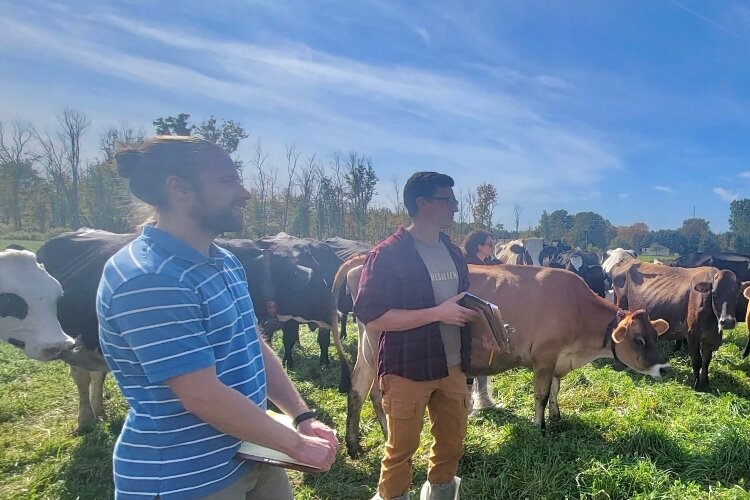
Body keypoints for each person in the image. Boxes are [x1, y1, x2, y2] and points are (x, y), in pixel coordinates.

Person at [96, 136, 337, 500]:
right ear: (179, 189)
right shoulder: (151, 278)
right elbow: (202, 396)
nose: (244, 193)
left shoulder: (223, 261)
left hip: (254, 450)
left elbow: (250, 342)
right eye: (227, 181)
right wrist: (298, 446)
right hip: (188, 478)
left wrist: (302, 417)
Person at [355, 171, 477, 500]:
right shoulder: (387, 254)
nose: (455, 207)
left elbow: (462, 300)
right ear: (423, 204)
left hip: (453, 368)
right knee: (401, 451)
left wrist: (484, 329)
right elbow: (373, 317)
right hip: (408, 368)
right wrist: (436, 314)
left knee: (451, 445)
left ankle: (439, 493)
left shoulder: (452, 252)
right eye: (448, 200)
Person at [460, 230, 500, 413]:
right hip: (470, 317)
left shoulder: (489, 265)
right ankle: (467, 404)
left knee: (484, 356)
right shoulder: (468, 266)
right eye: (490, 244)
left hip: (484, 315)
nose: (493, 247)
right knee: (470, 358)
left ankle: (483, 398)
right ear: (479, 247)